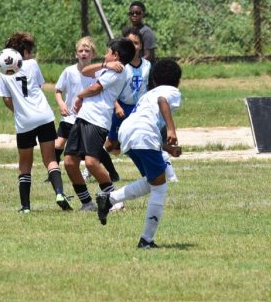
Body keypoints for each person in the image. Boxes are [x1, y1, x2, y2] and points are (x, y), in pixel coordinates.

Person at [96, 59, 183, 249]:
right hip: (143, 134)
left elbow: (147, 123)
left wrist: (168, 148)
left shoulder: (148, 94)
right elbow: (163, 102)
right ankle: (146, 240)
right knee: (160, 187)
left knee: (153, 181)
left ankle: (109, 199)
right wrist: (171, 130)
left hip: (128, 132)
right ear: (177, 80)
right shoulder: (171, 92)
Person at [0, 32, 72, 213]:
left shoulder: (4, 73)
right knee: (50, 159)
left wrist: (20, 111)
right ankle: (60, 193)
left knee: (25, 164)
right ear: (24, 51)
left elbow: (6, 99)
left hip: (24, 122)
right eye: (30, 50)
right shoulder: (32, 65)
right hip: (44, 116)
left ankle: (25, 207)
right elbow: (37, 87)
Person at [63, 38, 135, 211]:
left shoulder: (119, 69)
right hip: (84, 117)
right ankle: (87, 203)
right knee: (69, 161)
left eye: (108, 52)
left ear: (116, 55)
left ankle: (115, 200)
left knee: (91, 163)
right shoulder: (109, 68)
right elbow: (85, 72)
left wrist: (79, 96)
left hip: (97, 120)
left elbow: (96, 88)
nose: (105, 54)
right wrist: (104, 65)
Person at [103, 26, 152, 185]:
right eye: (130, 42)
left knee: (140, 140)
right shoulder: (121, 67)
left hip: (139, 109)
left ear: (141, 46)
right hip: (122, 108)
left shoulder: (147, 66)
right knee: (111, 143)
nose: (134, 46)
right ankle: (91, 169)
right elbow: (111, 90)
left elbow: (147, 87)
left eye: (136, 43)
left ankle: (150, 172)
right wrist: (116, 105)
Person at [54, 36, 97, 164]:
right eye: (81, 51)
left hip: (86, 117)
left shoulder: (96, 73)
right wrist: (62, 104)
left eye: (87, 51)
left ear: (93, 54)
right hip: (69, 116)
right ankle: (52, 172)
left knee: (85, 150)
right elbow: (58, 90)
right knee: (58, 144)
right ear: (76, 54)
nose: (83, 53)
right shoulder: (69, 71)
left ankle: (108, 172)